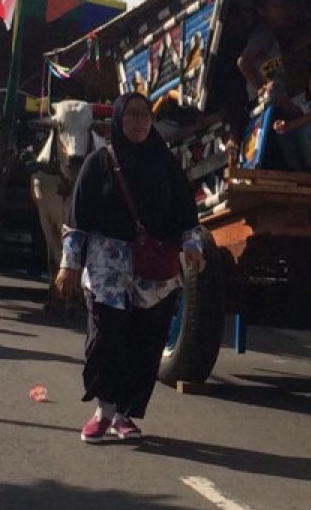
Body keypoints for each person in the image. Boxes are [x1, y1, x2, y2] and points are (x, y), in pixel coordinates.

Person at [53, 92, 205, 442]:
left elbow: (186, 214)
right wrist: (69, 266)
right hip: (108, 267)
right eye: (132, 115)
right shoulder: (98, 163)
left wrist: (193, 247)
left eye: (145, 116)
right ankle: (104, 410)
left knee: (145, 340)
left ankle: (125, 414)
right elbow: (77, 221)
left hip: (153, 273)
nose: (139, 122)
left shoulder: (166, 165)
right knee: (106, 337)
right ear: (118, 120)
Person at [237, 0, 289, 103]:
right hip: (266, 100)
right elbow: (243, 61)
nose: (281, 10)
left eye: (282, 6)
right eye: (275, 6)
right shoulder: (263, 33)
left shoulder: (272, 34)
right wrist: (261, 90)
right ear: (262, 11)